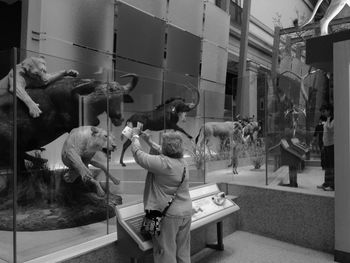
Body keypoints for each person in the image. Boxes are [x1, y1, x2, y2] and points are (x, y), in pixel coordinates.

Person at [130, 128, 192, 263]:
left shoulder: (163, 163)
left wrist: (135, 136)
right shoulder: (183, 162)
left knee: (166, 252)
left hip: (169, 216)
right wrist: (149, 141)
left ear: (166, 147)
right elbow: (163, 150)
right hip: (186, 212)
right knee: (183, 250)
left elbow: (138, 154)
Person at [317, 104, 334, 191]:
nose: (323, 113)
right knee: (327, 166)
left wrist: (327, 121)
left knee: (331, 166)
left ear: (329, 110)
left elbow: (331, 128)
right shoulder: (327, 119)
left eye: (324, 111)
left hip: (332, 145)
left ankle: (332, 185)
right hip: (326, 145)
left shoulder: (333, 119)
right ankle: (326, 183)